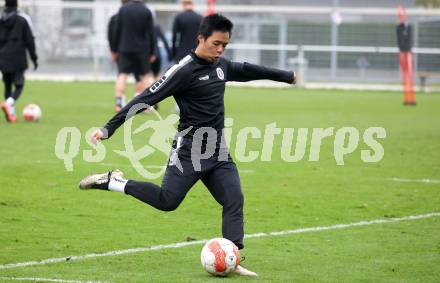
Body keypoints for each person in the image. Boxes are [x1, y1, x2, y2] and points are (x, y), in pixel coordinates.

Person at [79, 14, 296, 276]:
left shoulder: (220, 66)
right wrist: (108, 128)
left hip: (218, 150)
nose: (220, 50)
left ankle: (233, 256)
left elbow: (248, 70)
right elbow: (145, 96)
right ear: (201, 38)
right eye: (216, 44)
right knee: (167, 201)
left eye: (225, 46)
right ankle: (113, 181)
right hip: (189, 151)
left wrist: (286, 76)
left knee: (233, 199)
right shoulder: (182, 71)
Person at [112, 0, 156, 112]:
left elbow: (117, 30)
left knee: (122, 75)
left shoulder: (123, 9)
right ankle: (147, 105)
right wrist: (153, 51)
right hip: (142, 49)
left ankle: (119, 104)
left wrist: (114, 49)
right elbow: (151, 32)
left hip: (125, 48)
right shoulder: (146, 10)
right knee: (145, 76)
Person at [0, 0, 37, 123]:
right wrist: (34, 58)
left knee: (8, 84)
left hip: (3, 57)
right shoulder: (22, 20)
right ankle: (8, 103)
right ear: (16, 5)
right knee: (19, 85)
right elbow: (30, 40)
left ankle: (11, 115)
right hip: (17, 57)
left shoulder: (1, 20)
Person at [396, 5, 415, 105]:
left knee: (410, 75)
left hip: (408, 53)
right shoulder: (399, 27)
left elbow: (410, 40)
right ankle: (406, 98)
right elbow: (399, 42)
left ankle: (412, 98)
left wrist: (409, 51)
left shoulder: (410, 27)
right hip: (402, 53)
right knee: (404, 76)